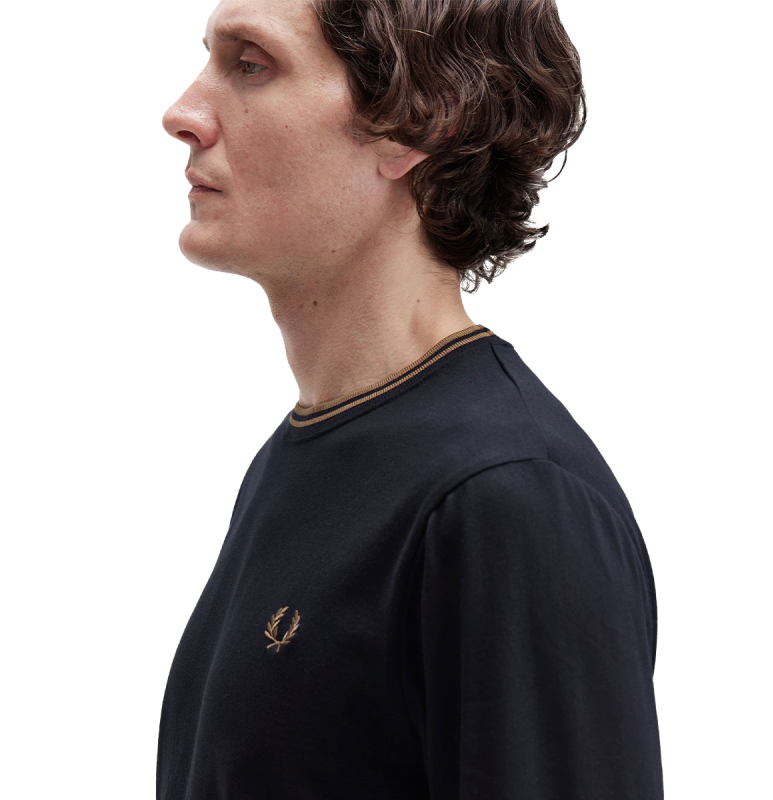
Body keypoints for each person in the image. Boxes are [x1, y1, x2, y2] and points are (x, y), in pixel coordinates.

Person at [156, 0, 664, 797]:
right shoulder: (302, 457)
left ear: (419, 121)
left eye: (250, 65)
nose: (183, 113)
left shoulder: (507, 499)